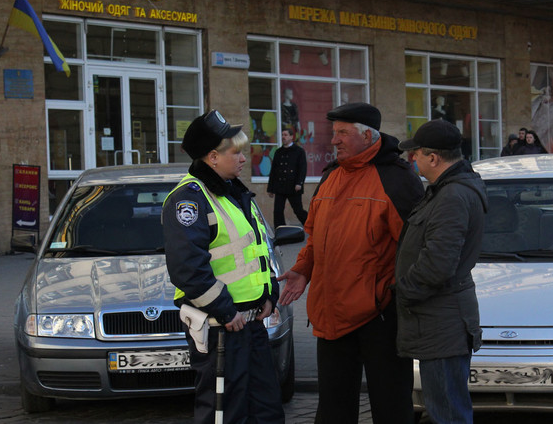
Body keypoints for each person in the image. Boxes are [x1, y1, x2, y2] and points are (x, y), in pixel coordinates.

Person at [276, 102, 424, 424]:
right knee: (332, 408)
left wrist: (397, 295)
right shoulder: (331, 176)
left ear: (369, 136)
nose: (334, 141)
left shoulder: (396, 180)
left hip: (380, 316)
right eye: (334, 133)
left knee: (391, 406)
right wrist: (303, 268)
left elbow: (415, 249)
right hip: (331, 312)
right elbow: (314, 235)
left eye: (343, 133)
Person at [162, 110, 284, 424]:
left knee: (266, 410)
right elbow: (188, 268)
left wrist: (270, 292)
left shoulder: (234, 194)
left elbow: (258, 249)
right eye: (236, 152)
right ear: (213, 157)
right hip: (222, 330)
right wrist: (225, 311)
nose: (244, 159)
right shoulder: (189, 200)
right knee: (225, 413)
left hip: (250, 323)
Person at [395, 119, 487, 424]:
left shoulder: (452, 196)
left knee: (448, 413)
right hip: (439, 321)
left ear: (433, 158)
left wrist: (403, 292)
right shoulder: (445, 190)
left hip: (442, 323)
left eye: (416, 154)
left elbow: (438, 264)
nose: (413, 160)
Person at [267, 126, 308, 226]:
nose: (283, 137)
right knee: (277, 211)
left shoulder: (299, 151)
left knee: (298, 210)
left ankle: (312, 226)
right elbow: (273, 171)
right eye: (282, 135)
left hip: (293, 186)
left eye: (285, 135)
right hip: (280, 186)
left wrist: (299, 183)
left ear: (291, 137)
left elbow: (302, 169)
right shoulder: (278, 152)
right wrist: (270, 188)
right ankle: (280, 231)